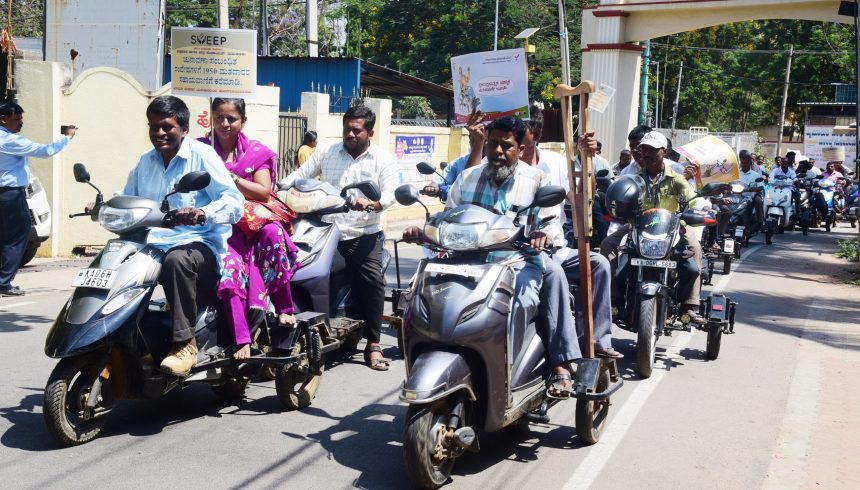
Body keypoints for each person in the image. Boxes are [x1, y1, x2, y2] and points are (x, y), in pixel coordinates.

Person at [404, 115, 582, 397]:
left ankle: (561, 361)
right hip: (466, 259)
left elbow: (550, 222)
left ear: (521, 149)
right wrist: (423, 229)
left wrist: (542, 234)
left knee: (555, 275)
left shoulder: (536, 180)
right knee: (424, 292)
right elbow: (447, 216)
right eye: (493, 144)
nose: (498, 151)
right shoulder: (467, 177)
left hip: (519, 260)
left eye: (507, 146)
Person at [113, 96, 244, 375]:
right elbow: (128, 196)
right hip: (154, 242)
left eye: (167, 127)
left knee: (177, 261)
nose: (159, 133)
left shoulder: (202, 155)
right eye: (153, 126)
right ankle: (120, 335)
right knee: (115, 254)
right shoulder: (145, 161)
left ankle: (185, 343)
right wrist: (103, 205)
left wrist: (202, 212)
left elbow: (234, 202)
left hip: (198, 244)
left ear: (183, 128)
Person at [281, 105, 398, 371]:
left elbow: (390, 193)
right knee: (300, 269)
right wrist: (278, 188)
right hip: (326, 231)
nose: (350, 134)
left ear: (369, 132)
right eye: (347, 129)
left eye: (356, 130)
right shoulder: (327, 152)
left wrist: (372, 203)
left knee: (372, 281)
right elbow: (300, 176)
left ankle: (374, 344)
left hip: (363, 234)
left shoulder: (382, 159)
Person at [198, 98, 300, 360]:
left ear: (243, 121)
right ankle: (241, 338)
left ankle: (284, 308)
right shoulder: (199, 149)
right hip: (218, 228)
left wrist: (231, 178)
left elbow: (264, 192)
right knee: (229, 268)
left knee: (275, 234)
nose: (225, 124)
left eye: (231, 118)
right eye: (219, 117)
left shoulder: (256, 152)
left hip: (253, 224)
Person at [521, 112, 622, 359]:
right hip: (520, 250)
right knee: (554, 274)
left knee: (598, 264)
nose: (515, 147)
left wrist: (586, 161)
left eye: (521, 138)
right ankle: (563, 356)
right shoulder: (499, 168)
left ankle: (598, 339)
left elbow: (580, 202)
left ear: (536, 136)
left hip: (556, 245)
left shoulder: (556, 163)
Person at [600, 131, 705, 324]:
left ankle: (690, 305)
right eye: (643, 149)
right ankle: (613, 301)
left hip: (673, 229)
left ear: (664, 151)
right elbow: (617, 195)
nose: (646, 154)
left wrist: (703, 208)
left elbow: (692, 200)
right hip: (638, 228)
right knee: (608, 246)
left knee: (695, 250)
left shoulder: (676, 177)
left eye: (652, 150)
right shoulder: (633, 178)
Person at [0, 101, 76, 296]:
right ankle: (4, 281)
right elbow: (46, 151)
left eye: (21, 119)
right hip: (10, 194)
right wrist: (67, 137)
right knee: (18, 235)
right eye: (16, 120)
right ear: (3, 119)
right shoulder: (11, 141)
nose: (20, 124)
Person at [738, 150, 765, 230]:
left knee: (758, 201)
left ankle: (760, 222)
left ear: (750, 163)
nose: (744, 165)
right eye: (742, 163)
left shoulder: (756, 175)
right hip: (738, 196)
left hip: (750, 197)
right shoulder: (736, 174)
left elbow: (761, 186)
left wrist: (755, 189)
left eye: (745, 163)